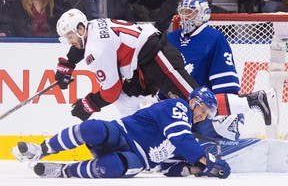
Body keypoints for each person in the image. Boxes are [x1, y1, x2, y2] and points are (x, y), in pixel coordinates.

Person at [11, 86, 231, 179]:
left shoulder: (187, 139)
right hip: (123, 133)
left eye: (207, 114)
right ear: (192, 101)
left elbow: (168, 168)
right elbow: (180, 137)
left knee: (115, 167)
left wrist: (196, 169)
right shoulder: (179, 107)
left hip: (134, 158)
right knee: (93, 127)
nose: (203, 115)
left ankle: (62, 172)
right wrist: (208, 159)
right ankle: (40, 150)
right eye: (202, 109)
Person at [54, 8, 200, 121]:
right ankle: (148, 138)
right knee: (125, 103)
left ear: (80, 29)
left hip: (159, 59)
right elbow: (84, 43)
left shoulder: (96, 51)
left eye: (69, 36)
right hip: (141, 66)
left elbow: (111, 92)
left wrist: (89, 104)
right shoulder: (92, 25)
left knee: (195, 100)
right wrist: (69, 63)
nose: (69, 42)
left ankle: (219, 124)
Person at [166, 0, 271, 140]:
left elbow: (226, 85)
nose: (185, 16)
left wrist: (215, 111)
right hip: (177, 106)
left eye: (190, 12)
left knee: (218, 125)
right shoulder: (170, 38)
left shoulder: (213, 38)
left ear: (203, 13)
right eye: (183, 11)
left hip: (203, 110)